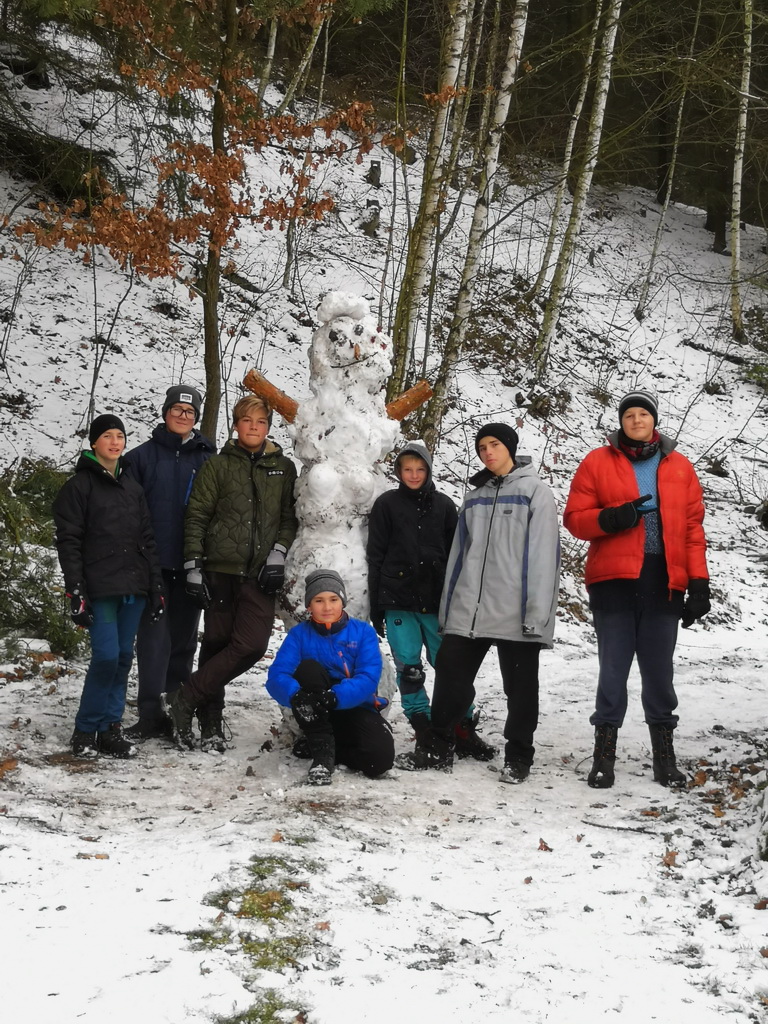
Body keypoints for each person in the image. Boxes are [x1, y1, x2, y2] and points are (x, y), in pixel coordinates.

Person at [563, 389, 710, 789]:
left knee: (660, 674)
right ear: (621, 422)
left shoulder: (679, 466)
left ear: (654, 420)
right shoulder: (597, 461)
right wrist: (614, 518)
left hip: (664, 581)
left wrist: (698, 583)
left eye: (643, 414)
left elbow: (693, 529)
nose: (637, 420)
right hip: (614, 582)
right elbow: (575, 519)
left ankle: (664, 758)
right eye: (629, 415)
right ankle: (603, 758)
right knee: (613, 672)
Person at [400, 424, 561, 784]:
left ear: (510, 447)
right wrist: (449, 608)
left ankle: (518, 756)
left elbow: (543, 557)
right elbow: (458, 557)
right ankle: (438, 747)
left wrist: (537, 614)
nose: (488, 452)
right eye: (482, 447)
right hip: (469, 609)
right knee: (450, 675)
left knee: (520, 688)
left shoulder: (535, 492)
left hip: (515, 611)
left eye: (495, 444)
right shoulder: (474, 497)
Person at [165, 396, 298, 751]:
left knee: (252, 645)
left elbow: (289, 518)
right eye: (247, 420)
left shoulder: (284, 468)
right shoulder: (217, 466)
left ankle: (185, 696)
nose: (254, 427)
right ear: (236, 425)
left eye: (260, 421)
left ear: (268, 427)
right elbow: (196, 516)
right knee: (216, 643)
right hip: (218, 569)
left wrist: (278, 553)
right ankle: (210, 722)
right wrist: (193, 566)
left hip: (260, 574)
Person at [366, 442, 494, 760]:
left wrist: (461, 600)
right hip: (398, 601)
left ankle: (463, 728)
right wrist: (377, 607)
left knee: (451, 669)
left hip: (438, 603)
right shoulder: (386, 505)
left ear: (429, 470)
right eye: (407, 469)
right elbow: (376, 555)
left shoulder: (444, 506)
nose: (413, 475)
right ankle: (424, 731)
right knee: (409, 668)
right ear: (399, 472)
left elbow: (457, 556)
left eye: (420, 469)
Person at [53, 413, 165, 759]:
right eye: (107, 436)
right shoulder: (79, 487)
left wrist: (156, 587)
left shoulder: (133, 488)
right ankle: (86, 729)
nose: (115, 442)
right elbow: (69, 541)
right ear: (94, 443)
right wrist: (75, 590)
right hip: (99, 588)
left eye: (120, 436)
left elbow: (147, 540)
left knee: (122, 658)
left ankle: (110, 729)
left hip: (134, 588)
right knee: (105, 656)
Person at [122, 384, 215, 740]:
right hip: (153, 567)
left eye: (189, 412)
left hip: (192, 566)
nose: (182, 416)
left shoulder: (208, 460)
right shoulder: (140, 458)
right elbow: (128, 513)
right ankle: (149, 713)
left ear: (196, 418)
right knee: (152, 641)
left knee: (184, 642)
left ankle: (177, 710)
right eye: (177, 409)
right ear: (165, 412)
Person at [266, 569, 395, 785]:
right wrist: (296, 695)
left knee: (379, 761)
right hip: (314, 709)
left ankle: (332, 749)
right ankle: (322, 753)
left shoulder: (362, 632)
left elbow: (368, 677)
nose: (327, 607)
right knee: (308, 669)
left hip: (353, 705)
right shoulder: (299, 634)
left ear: (342, 601)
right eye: (319, 600)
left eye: (333, 599)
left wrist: (336, 697)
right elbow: (277, 676)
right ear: (309, 605)